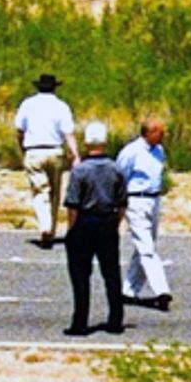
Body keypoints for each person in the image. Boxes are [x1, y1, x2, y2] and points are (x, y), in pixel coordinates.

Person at [60, 121, 127, 336]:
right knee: (111, 273)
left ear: (87, 143)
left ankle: (80, 322)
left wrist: (71, 230)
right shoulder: (116, 168)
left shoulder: (80, 171)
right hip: (107, 220)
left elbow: (73, 205)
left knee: (80, 275)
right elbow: (123, 201)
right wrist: (115, 222)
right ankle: (115, 319)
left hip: (85, 223)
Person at [13, 72, 77, 247]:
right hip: (55, 150)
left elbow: (20, 130)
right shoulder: (61, 106)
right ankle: (51, 228)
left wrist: (23, 149)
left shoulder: (27, 104)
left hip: (34, 150)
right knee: (55, 193)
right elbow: (68, 133)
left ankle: (45, 226)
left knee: (40, 191)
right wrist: (75, 154)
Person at [118, 116, 173, 313]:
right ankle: (162, 290)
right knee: (147, 248)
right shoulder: (131, 152)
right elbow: (120, 176)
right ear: (148, 132)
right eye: (159, 132)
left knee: (144, 247)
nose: (163, 135)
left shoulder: (159, 151)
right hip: (136, 200)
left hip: (154, 200)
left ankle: (128, 290)